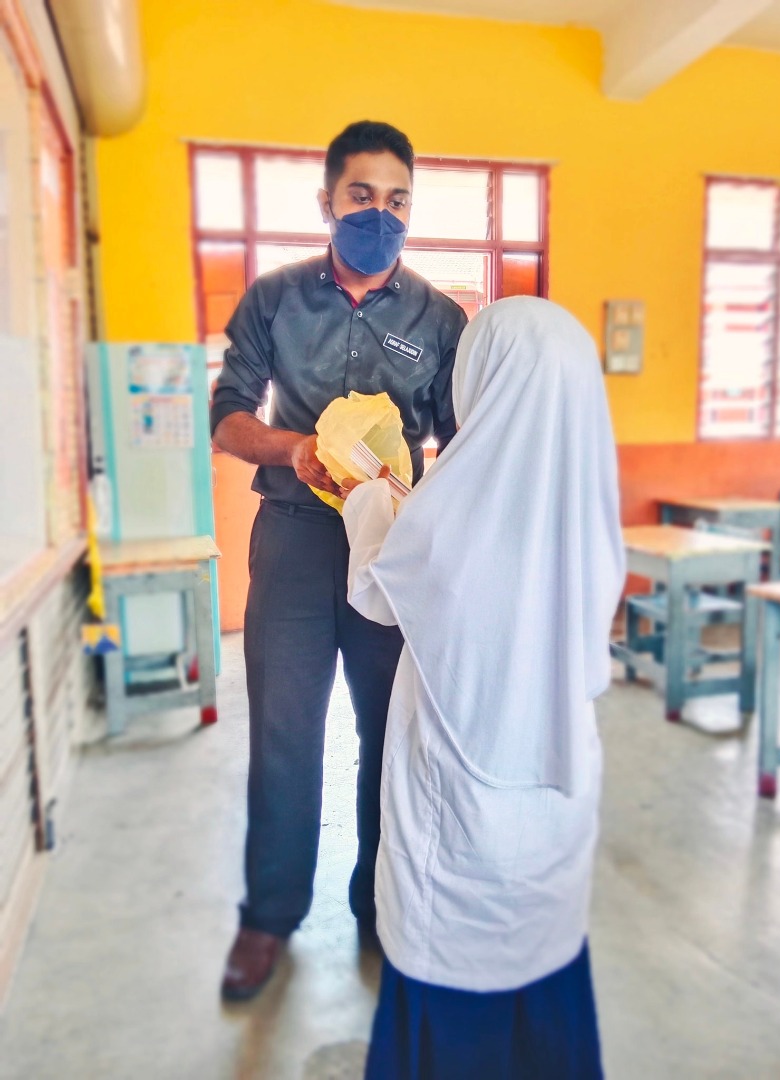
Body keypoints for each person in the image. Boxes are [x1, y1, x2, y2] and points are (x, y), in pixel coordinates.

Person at [210, 120, 467, 1001]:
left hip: (392, 549)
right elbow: (228, 416)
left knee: (389, 732)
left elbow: (461, 443)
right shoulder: (276, 299)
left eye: (398, 200)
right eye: (362, 195)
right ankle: (269, 915)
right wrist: (292, 450)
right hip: (291, 537)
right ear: (327, 202)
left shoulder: (439, 319)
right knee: (284, 733)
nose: (380, 214)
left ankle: (380, 901)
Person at [339, 296, 625, 1078]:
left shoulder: (453, 504)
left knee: (454, 1012)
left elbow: (381, 590)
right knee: (543, 984)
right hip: (555, 808)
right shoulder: (588, 506)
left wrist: (367, 499)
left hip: (458, 823)